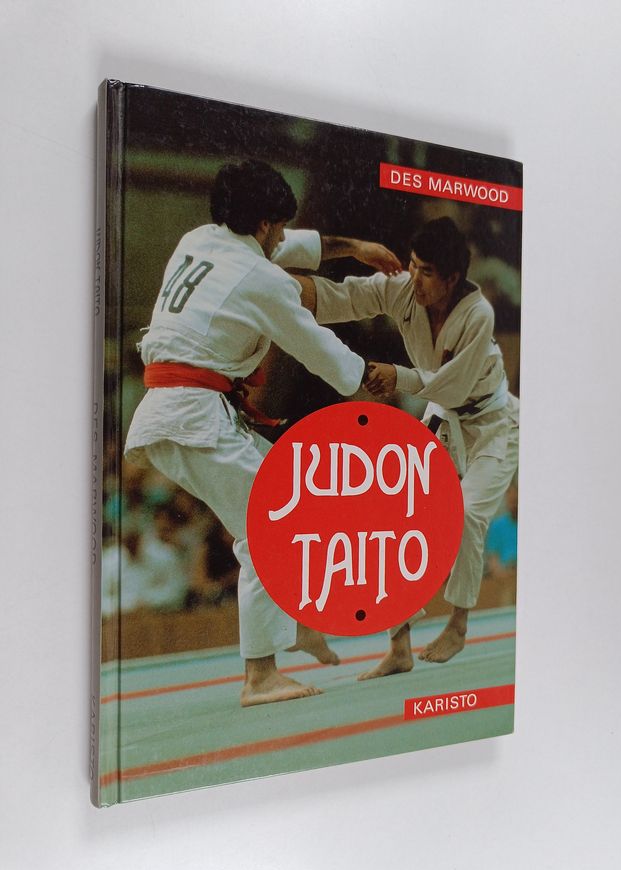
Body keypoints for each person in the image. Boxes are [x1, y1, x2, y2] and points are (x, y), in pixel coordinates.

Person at [125, 159, 401, 705]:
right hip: (193, 417)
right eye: (278, 226)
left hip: (186, 411)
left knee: (291, 499)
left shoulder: (199, 239)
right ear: (263, 223)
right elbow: (319, 348)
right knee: (267, 530)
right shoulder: (262, 280)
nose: (280, 237)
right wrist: (373, 380)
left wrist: (355, 247)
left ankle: (298, 624)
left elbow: (282, 247)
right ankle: (260, 676)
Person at [295, 216, 519, 678]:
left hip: (494, 423)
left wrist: (398, 376)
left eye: (427, 272)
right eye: (413, 266)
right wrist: (278, 292)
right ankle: (399, 646)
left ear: (452, 278)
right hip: (445, 415)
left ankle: (458, 625)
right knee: (394, 514)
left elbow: (454, 386)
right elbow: (346, 296)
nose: (414, 279)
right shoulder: (405, 289)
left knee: (468, 513)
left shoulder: (478, 315)